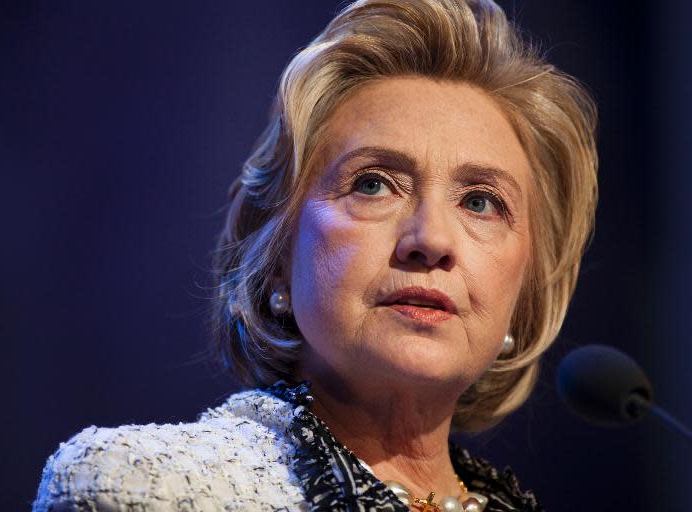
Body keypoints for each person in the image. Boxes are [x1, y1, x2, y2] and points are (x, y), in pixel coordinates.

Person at [32, 0, 597, 510]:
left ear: (523, 291)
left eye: (480, 201)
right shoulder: (139, 490)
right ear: (277, 255)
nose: (432, 240)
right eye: (373, 184)